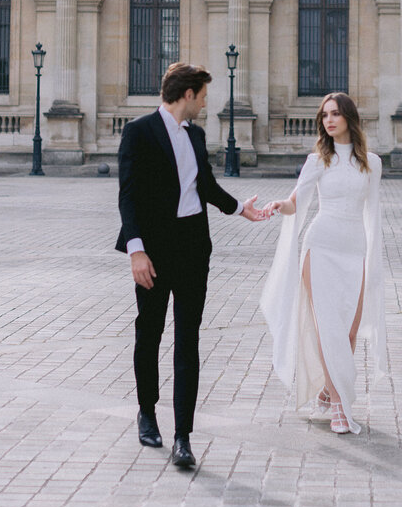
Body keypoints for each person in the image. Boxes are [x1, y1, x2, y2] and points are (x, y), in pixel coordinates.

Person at [116, 62, 266, 468]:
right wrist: (136, 251)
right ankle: (147, 412)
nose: (204, 103)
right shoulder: (139, 131)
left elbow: (206, 187)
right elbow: (127, 196)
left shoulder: (196, 135)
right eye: (203, 95)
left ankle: (183, 436)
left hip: (192, 251)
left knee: (188, 341)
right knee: (149, 333)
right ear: (188, 94)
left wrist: (240, 210)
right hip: (152, 253)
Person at [260, 93, 386, 435]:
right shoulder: (318, 160)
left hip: (355, 248)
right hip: (320, 246)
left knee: (349, 330)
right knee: (328, 329)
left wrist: (373, 260)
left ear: (349, 117)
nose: (329, 120)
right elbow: (296, 201)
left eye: (335, 114)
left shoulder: (371, 163)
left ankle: (329, 391)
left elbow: (373, 214)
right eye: (325, 115)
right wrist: (278, 205)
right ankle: (341, 408)